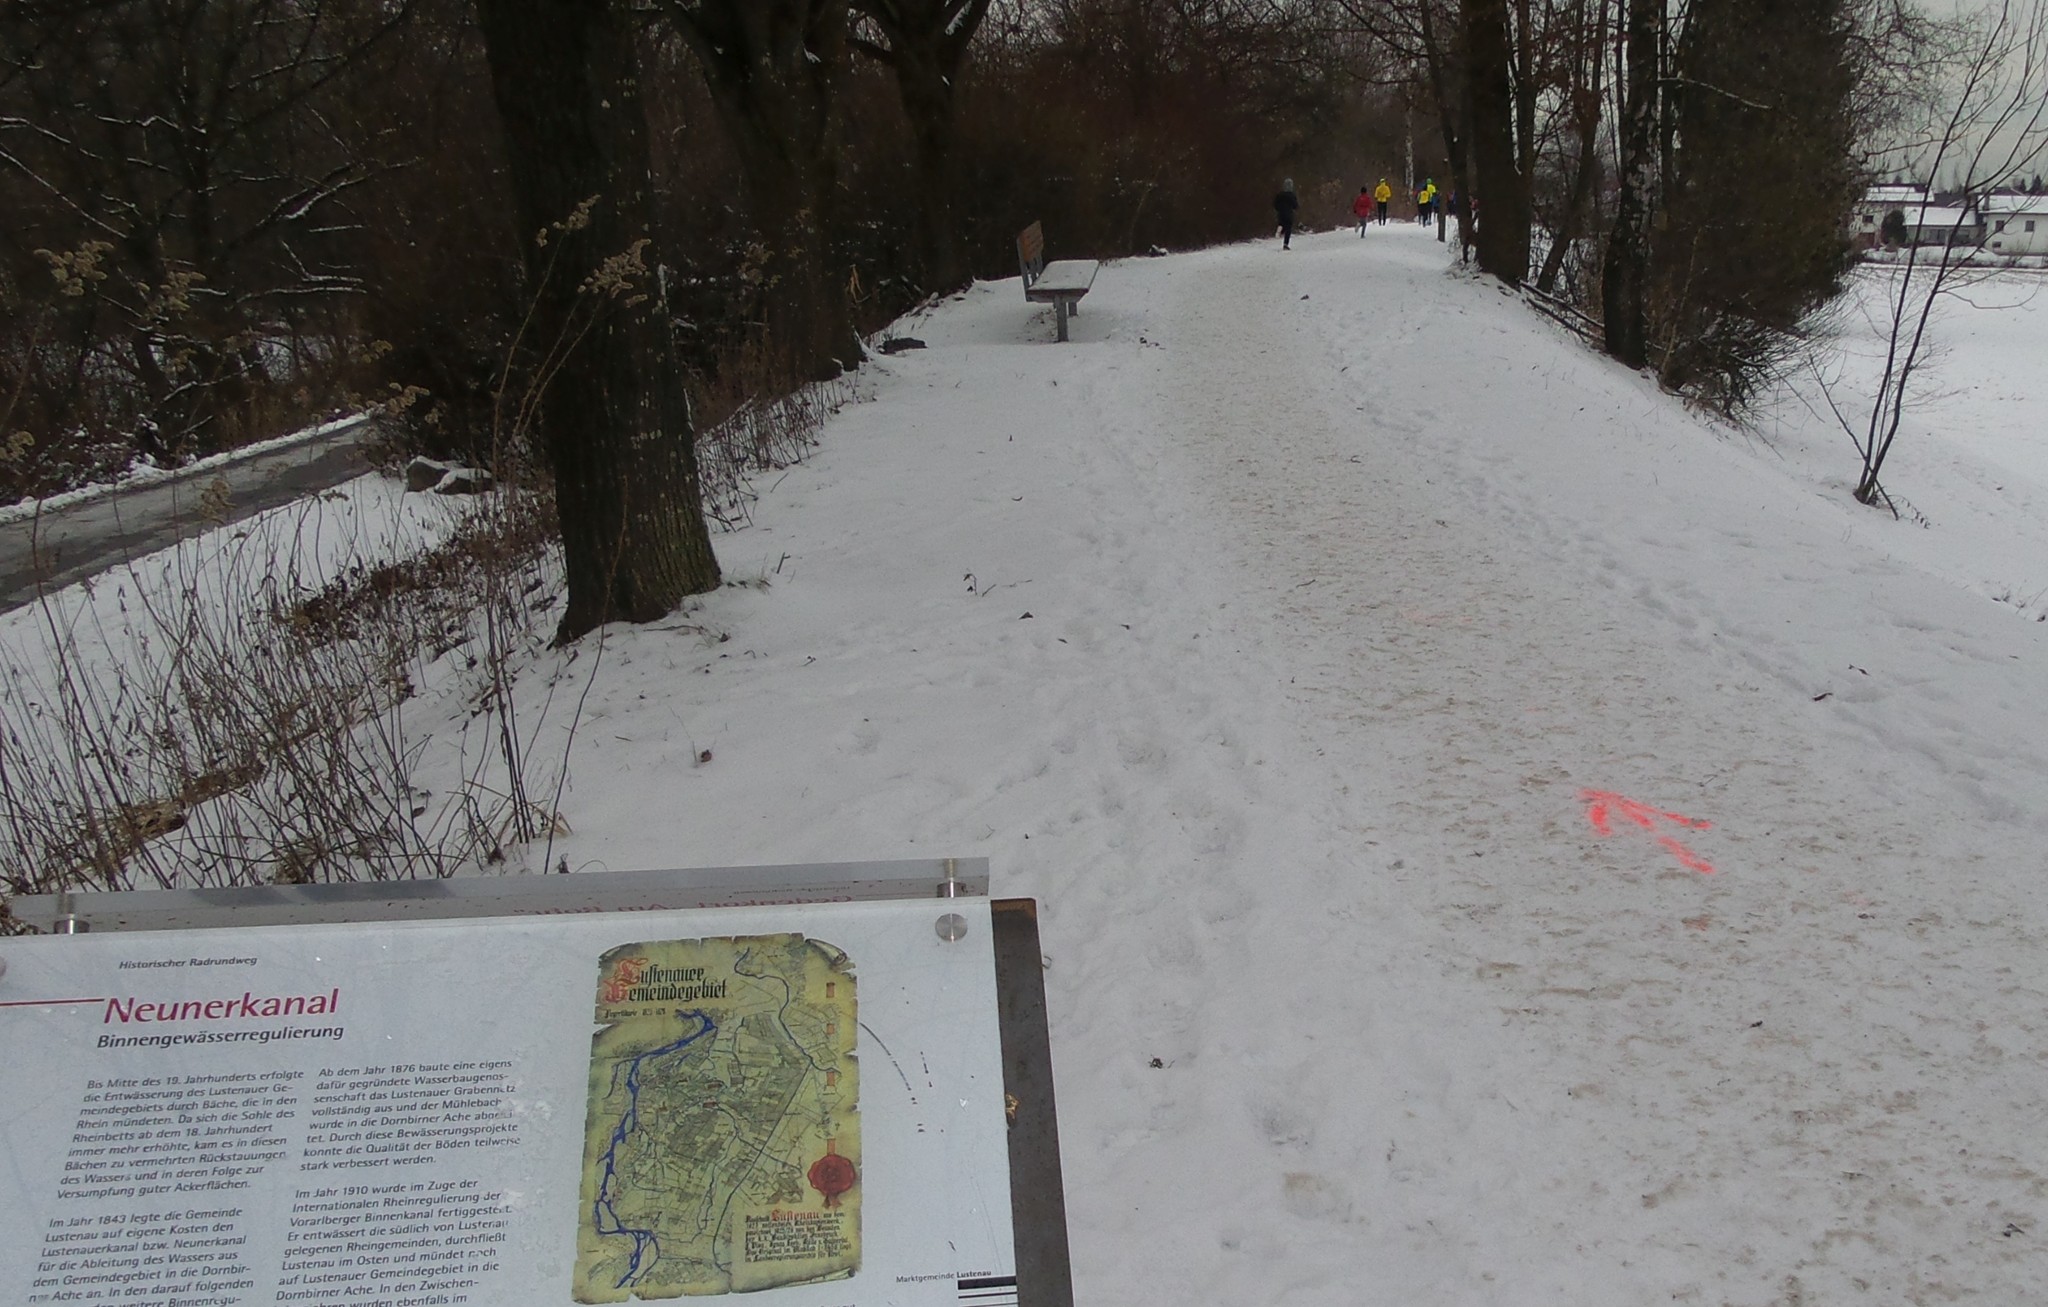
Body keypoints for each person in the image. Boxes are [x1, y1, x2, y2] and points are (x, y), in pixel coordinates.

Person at [1273, 178, 1300, 250]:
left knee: (1282, 223)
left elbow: (1275, 204)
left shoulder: (1279, 195)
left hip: (1281, 213)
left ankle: (1280, 228)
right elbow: (1295, 205)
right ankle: (1285, 244)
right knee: (1288, 229)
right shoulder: (1292, 195)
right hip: (1289, 214)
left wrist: (1279, 209)